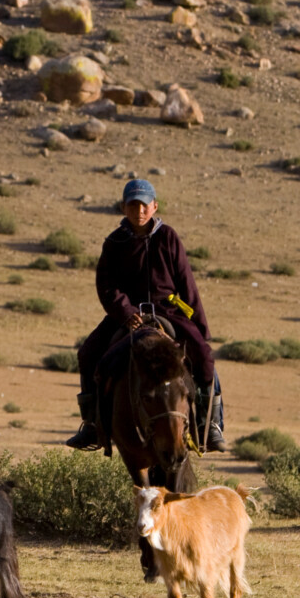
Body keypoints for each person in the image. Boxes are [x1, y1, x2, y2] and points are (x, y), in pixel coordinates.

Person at [66, 179, 225, 453]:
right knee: (88, 354)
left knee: (204, 356)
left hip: (168, 310)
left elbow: (186, 281)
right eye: (133, 205)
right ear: (123, 207)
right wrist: (125, 311)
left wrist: (199, 327)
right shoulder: (114, 242)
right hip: (127, 314)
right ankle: (91, 425)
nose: (139, 210)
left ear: (154, 206)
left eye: (144, 205)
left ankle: (209, 425)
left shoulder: (169, 237)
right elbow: (106, 285)